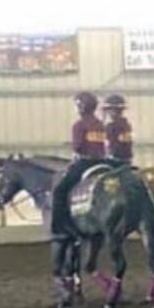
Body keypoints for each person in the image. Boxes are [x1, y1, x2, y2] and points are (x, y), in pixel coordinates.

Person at [52, 90, 107, 237]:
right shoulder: (100, 124)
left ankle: (60, 227)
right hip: (102, 162)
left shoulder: (79, 125)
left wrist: (70, 145)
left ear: (81, 107)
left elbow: (77, 147)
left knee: (59, 191)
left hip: (85, 163)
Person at [103, 93, 134, 165]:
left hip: (115, 162)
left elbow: (112, 147)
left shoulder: (111, 126)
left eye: (108, 110)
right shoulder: (126, 125)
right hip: (127, 160)